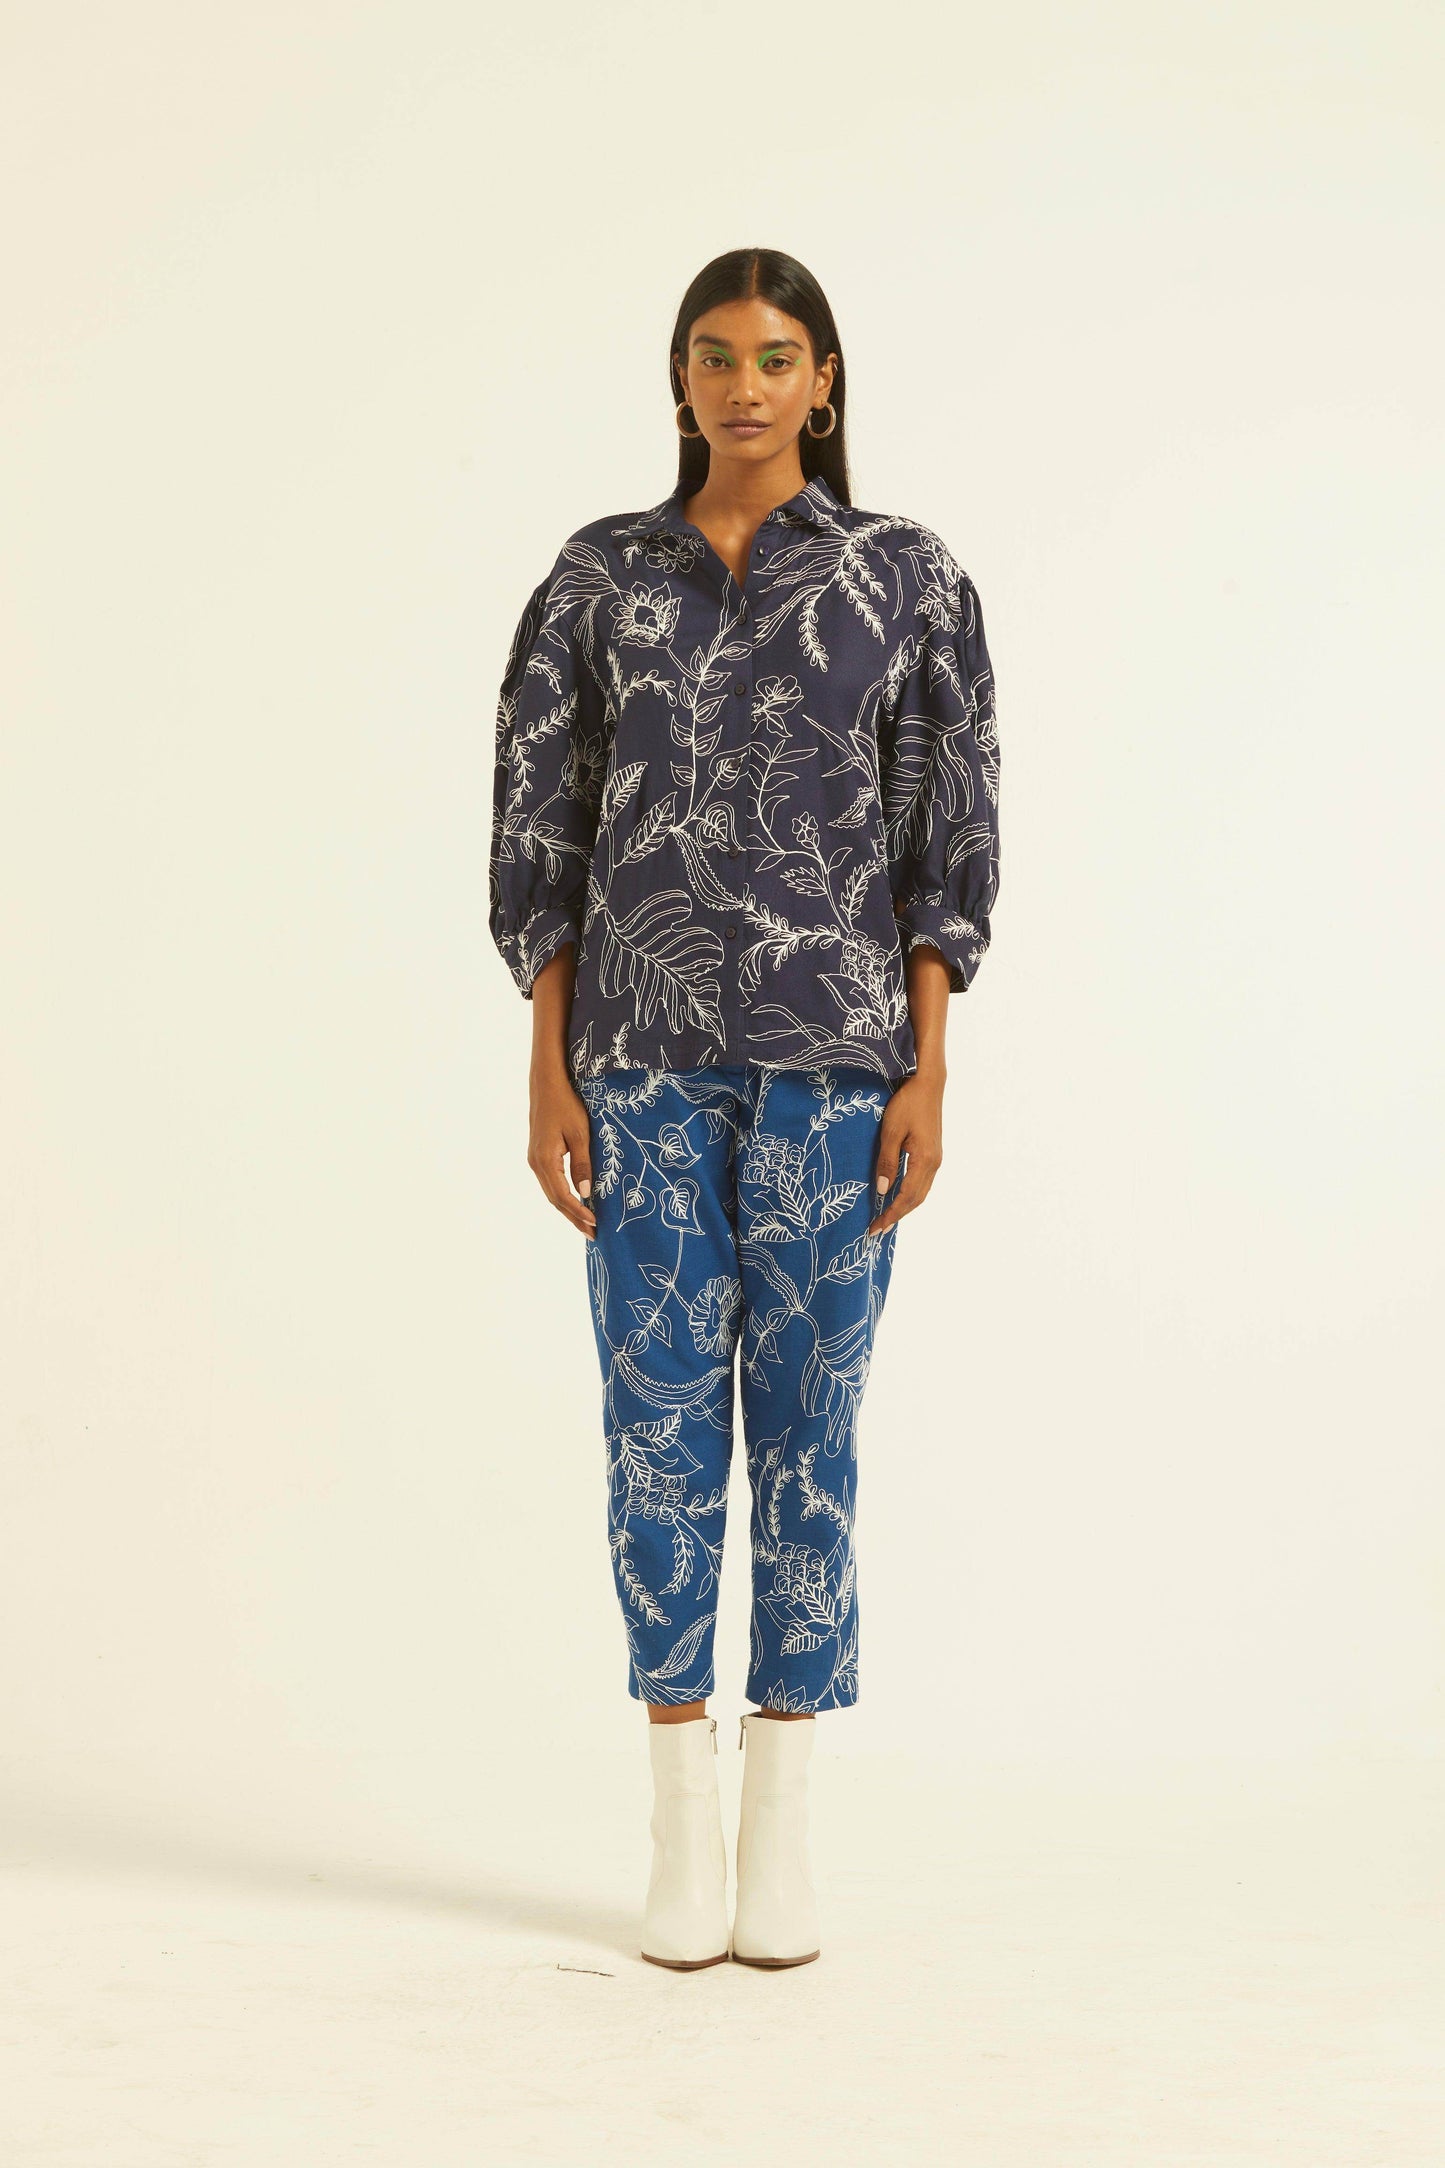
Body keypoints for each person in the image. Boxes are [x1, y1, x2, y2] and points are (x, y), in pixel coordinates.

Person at [488, 247, 1000, 1971]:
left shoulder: (904, 577)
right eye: (713, 355)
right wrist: (547, 1059)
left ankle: (779, 1817)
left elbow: (946, 830)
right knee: (653, 1421)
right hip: (633, 1060)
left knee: (808, 1423)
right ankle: (675, 1820)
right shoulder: (598, 577)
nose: (744, 384)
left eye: (777, 356)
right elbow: (543, 825)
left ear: (824, 379)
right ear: (679, 380)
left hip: (836, 1063)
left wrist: (927, 1063)